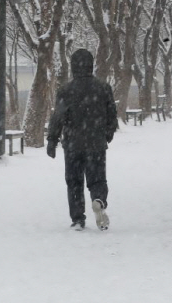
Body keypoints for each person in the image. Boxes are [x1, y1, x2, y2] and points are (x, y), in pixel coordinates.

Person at [47, 49, 118, 231]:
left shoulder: (66, 91)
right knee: (97, 179)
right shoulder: (103, 88)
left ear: (73, 67)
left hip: (72, 144)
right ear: (90, 65)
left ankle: (78, 219)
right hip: (96, 143)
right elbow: (112, 115)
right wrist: (107, 135)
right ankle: (98, 199)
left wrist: (52, 140)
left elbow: (58, 117)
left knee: (74, 181)